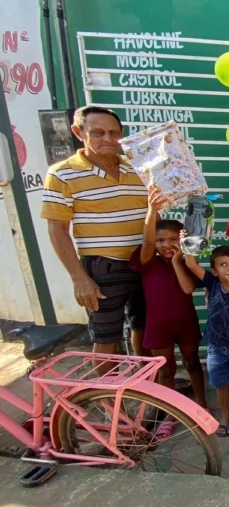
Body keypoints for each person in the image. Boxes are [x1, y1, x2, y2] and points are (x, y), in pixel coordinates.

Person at [41, 106, 149, 360]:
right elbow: (56, 229)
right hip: (103, 269)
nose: (108, 139)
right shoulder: (61, 173)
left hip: (145, 262)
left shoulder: (139, 168)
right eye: (98, 133)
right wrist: (79, 278)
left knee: (143, 329)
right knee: (106, 338)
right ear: (79, 132)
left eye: (114, 132)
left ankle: (145, 389)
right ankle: (106, 398)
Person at [130, 187, 207, 438]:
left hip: (185, 323)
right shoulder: (147, 260)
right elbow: (148, 241)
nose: (166, 245)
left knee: (193, 363)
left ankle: (201, 405)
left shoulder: (186, 263)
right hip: (158, 326)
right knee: (166, 371)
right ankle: (170, 414)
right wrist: (152, 211)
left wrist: (178, 261)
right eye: (161, 241)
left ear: (182, 241)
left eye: (173, 240)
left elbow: (187, 290)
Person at [179, 243, 229, 436]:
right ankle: (225, 415)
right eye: (223, 264)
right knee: (219, 383)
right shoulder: (212, 282)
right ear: (214, 271)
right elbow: (191, 263)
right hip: (215, 346)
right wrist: (188, 242)